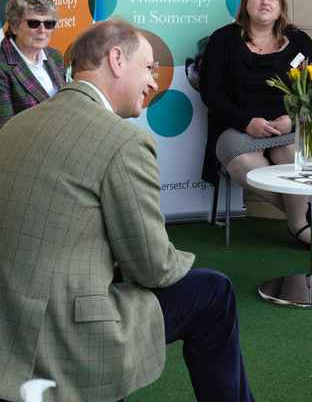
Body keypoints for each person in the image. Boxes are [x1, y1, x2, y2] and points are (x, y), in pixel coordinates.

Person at [0, 20, 254, 402]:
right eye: (149, 68)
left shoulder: (15, 127)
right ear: (116, 59)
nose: (154, 83)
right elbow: (153, 267)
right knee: (213, 291)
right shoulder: (124, 140)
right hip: (67, 332)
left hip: (9, 327)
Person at [201, 0, 312, 247]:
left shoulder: (300, 42)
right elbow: (211, 93)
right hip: (236, 126)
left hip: (286, 127)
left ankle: (298, 223)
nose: (265, 2)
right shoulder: (223, 40)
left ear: (281, 7)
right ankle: (302, 219)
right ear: (246, 3)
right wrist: (246, 122)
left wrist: (293, 119)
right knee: (244, 162)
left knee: (291, 153)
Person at [0, 0, 66, 128]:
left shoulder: (55, 56)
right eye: (33, 23)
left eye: (49, 24)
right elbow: (5, 129)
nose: (42, 30)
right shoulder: (2, 66)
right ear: (14, 26)